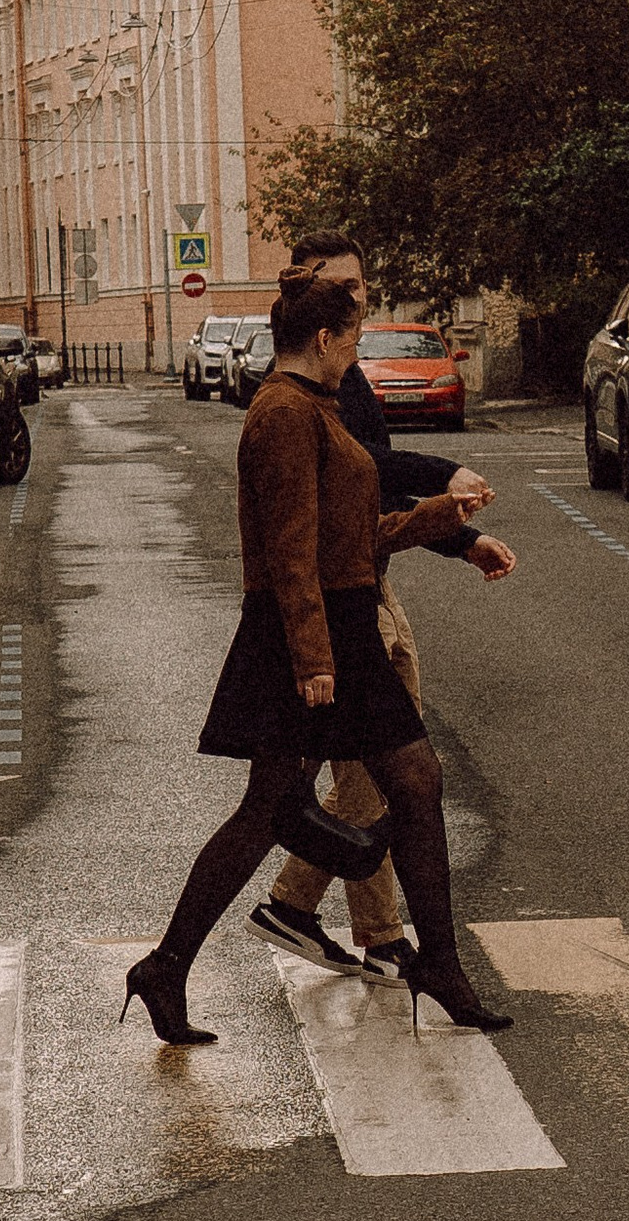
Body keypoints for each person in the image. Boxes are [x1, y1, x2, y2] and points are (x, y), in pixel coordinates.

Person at [123, 269, 513, 1046]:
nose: (355, 356)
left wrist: (444, 523)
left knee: (288, 804)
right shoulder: (281, 414)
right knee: (398, 782)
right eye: (354, 341)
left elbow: (352, 538)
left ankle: (168, 968)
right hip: (310, 633)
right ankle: (434, 962)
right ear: (326, 339)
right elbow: (290, 552)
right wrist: (311, 660)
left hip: (332, 623)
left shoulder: (315, 409)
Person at [249, 227, 514, 979]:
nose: (359, 301)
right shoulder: (302, 396)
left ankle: (356, 925)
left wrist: (461, 538)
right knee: (378, 770)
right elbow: (351, 496)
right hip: (342, 599)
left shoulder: (342, 376)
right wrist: (449, 475)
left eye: (363, 286)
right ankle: (335, 922)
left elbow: (371, 496)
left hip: (368, 579)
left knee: (381, 767)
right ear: (312, 301)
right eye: (346, 290)